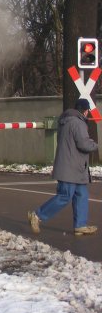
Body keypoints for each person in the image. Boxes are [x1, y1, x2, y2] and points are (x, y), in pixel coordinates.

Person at [28, 98, 98, 236]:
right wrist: (94, 145)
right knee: (64, 196)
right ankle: (37, 215)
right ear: (85, 111)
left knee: (81, 194)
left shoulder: (65, 121)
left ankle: (80, 225)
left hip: (74, 167)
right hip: (71, 167)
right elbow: (83, 144)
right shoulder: (78, 123)